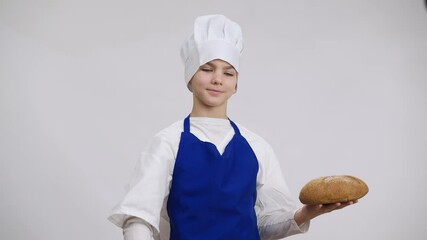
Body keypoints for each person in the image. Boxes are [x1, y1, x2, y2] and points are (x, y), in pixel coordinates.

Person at [108, 14, 356, 240]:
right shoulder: (168, 143)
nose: (217, 78)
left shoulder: (257, 147)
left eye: (228, 73)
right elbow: (138, 218)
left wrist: (304, 213)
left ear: (236, 83)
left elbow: (263, 226)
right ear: (189, 78)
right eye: (207, 69)